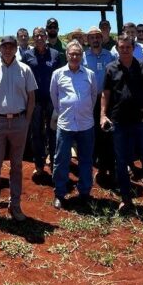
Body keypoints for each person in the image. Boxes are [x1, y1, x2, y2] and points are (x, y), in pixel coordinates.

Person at [101, 34, 143, 217]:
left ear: (133, 48)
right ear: (118, 48)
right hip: (119, 121)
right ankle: (126, 199)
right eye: (122, 47)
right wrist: (103, 115)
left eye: (128, 47)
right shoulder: (110, 69)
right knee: (120, 162)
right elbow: (105, 94)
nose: (125, 50)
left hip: (142, 121)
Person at [0, 36, 37, 225]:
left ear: (15, 49)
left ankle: (15, 205)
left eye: (11, 47)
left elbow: (31, 97)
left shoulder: (25, 70)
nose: (7, 50)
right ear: (0, 49)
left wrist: (26, 121)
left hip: (19, 122)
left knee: (17, 166)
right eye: (4, 46)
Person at [50, 40, 97, 209]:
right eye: (72, 54)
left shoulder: (89, 74)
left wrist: (83, 109)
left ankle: (84, 192)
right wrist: (66, 110)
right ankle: (60, 193)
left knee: (86, 159)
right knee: (62, 159)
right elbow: (54, 97)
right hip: (66, 124)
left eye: (78, 54)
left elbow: (93, 97)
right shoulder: (58, 74)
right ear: (67, 55)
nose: (75, 56)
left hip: (86, 124)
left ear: (82, 56)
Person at [23, 26, 61, 178]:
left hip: (52, 100)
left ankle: (53, 162)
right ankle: (39, 164)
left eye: (42, 35)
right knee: (36, 133)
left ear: (46, 37)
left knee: (53, 132)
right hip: (35, 101)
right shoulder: (27, 55)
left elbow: (60, 77)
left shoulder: (55, 54)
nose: (39, 38)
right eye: (36, 35)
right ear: (33, 38)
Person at [83, 26, 116, 184]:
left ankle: (110, 167)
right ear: (87, 40)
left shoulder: (109, 55)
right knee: (93, 134)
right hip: (89, 101)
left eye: (97, 37)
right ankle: (98, 168)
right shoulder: (83, 57)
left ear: (101, 39)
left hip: (107, 100)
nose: (95, 40)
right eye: (92, 37)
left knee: (108, 134)